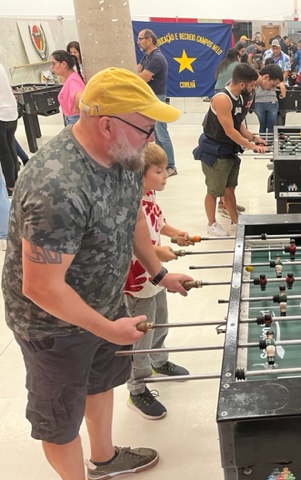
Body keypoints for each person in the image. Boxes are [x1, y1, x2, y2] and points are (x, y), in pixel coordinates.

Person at [2, 67, 192, 480]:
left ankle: (104, 459)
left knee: (100, 382)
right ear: (106, 124)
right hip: (53, 326)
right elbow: (41, 287)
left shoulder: (126, 156)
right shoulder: (57, 187)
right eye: (145, 129)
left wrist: (158, 274)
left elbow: (133, 217)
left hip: (105, 304)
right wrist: (108, 329)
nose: (152, 139)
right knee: (60, 418)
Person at [125, 143, 194, 420]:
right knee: (140, 335)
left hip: (156, 275)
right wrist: (157, 252)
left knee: (161, 320)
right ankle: (137, 388)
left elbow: (158, 222)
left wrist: (175, 234)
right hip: (137, 280)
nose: (166, 175)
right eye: (158, 171)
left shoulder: (149, 194)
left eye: (165, 169)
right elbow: (129, 243)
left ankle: (159, 360)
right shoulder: (130, 202)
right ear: (140, 175)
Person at [193, 63, 268, 237]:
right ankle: (211, 224)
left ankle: (235, 221)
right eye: (251, 85)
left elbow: (238, 124)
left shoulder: (239, 97)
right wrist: (251, 146)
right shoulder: (222, 99)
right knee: (214, 191)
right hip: (215, 151)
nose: (253, 89)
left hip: (229, 149)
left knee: (229, 188)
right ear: (242, 84)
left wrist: (253, 138)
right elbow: (229, 130)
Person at [137, 28, 177, 177]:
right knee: (157, 135)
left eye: (140, 39)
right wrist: (141, 74)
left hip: (157, 98)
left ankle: (171, 165)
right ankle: (162, 163)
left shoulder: (156, 58)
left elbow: (141, 78)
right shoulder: (147, 57)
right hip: (151, 98)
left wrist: (142, 75)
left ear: (149, 40)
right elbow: (138, 72)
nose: (138, 42)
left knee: (162, 133)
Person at [50, 50, 85, 126]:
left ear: (63, 64)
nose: (51, 67)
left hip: (75, 119)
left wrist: (76, 108)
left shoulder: (72, 81)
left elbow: (80, 97)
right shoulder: (70, 78)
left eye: (53, 63)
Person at [0, 63, 19, 195]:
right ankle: (15, 182)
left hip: (2, 114)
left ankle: (11, 186)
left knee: (4, 152)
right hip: (11, 112)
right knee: (10, 147)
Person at [253, 63, 285, 135]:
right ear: (266, 77)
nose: (272, 89)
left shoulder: (252, 87)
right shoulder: (246, 85)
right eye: (273, 85)